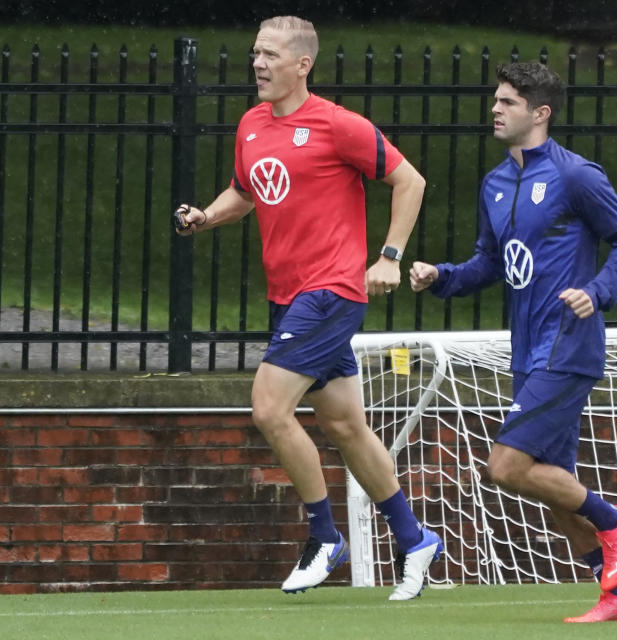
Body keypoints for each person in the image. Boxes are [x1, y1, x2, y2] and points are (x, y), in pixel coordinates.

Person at [174, 15, 441, 601]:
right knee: (345, 424)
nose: (258, 65)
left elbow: (410, 181)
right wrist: (206, 218)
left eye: (270, 55)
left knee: (269, 408)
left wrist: (389, 257)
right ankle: (414, 537)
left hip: (330, 291)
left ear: (302, 65)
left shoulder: (337, 125)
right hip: (286, 295)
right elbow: (247, 192)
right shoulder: (250, 124)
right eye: (254, 54)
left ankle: (324, 537)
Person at [409, 61, 617, 623]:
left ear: (539, 114)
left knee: (507, 467)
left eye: (508, 102)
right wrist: (441, 276)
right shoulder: (495, 182)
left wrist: (598, 290)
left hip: (567, 346)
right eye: (496, 99)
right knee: (553, 486)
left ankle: (616, 521)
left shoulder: (576, 176)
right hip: (527, 350)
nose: (495, 108)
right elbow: (491, 264)